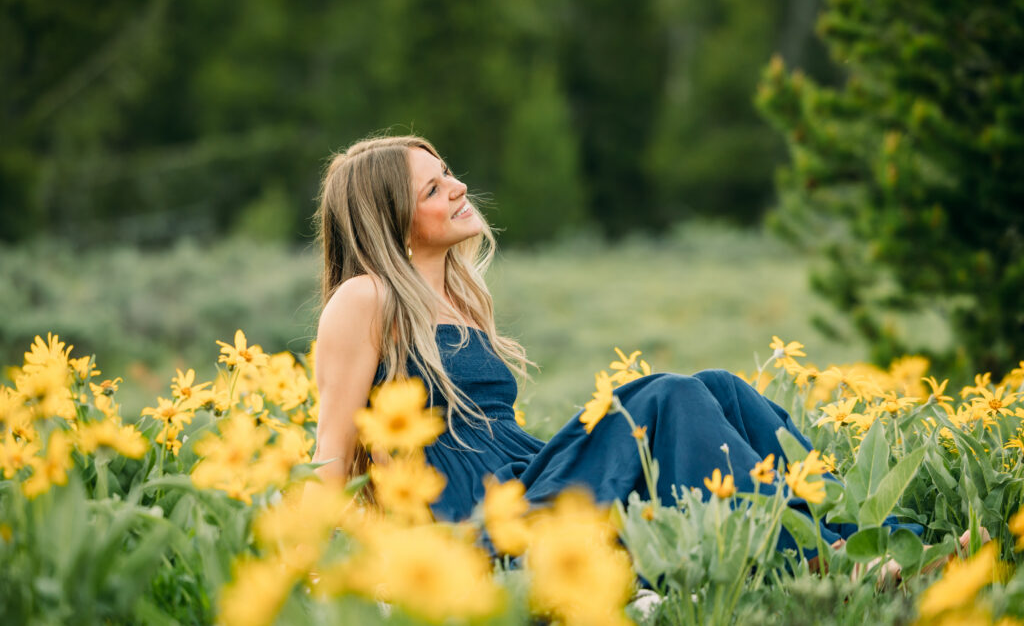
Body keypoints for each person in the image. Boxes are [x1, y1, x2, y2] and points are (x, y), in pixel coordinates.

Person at [310, 133, 918, 564]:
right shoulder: (365, 299)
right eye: (434, 188)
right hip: (475, 513)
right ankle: (814, 557)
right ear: (392, 220)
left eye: (449, 173)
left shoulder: (455, 296)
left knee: (721, 386)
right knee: (670, 396)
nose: (460, 187)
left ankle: (871, 538)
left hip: (525, 472)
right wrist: (313, 564)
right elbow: (331, 453)